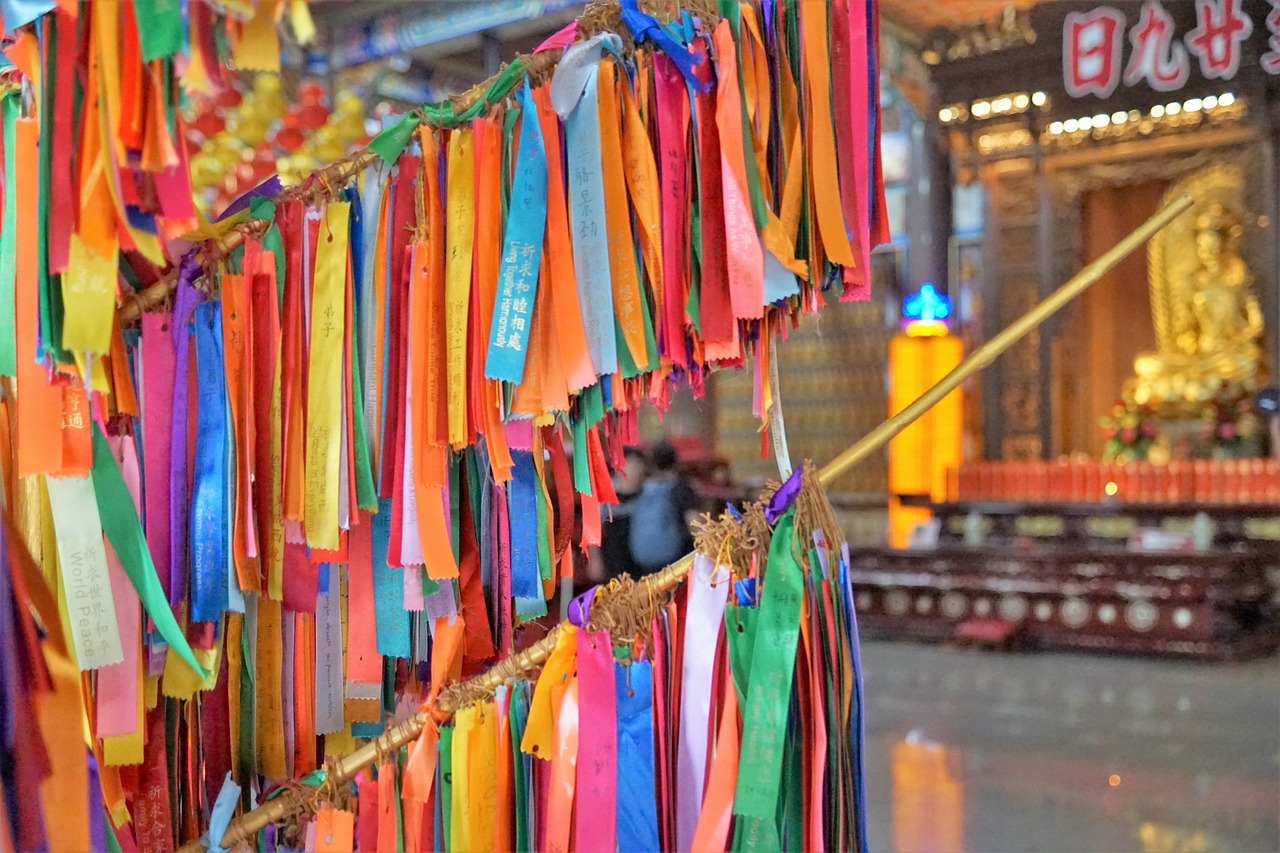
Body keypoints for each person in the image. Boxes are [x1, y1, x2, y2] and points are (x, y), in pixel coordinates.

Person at [629, 441, 700, 575]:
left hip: (643, 560)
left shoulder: (643, 488)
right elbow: (694, 522)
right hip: (676, 560)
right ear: (675, 461)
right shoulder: (680, 488)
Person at [598, 446, 648, 580]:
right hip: (614, 562)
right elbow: (596, 528)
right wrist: (595, 561)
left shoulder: (651, 494)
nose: (634, 470)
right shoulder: (606, 496)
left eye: (637, 465)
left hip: (644, 564)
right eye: (629, 465)